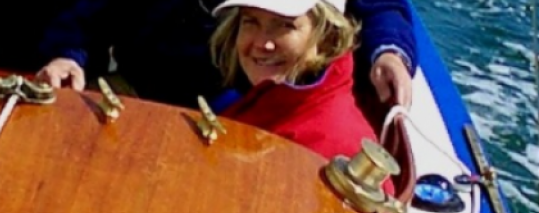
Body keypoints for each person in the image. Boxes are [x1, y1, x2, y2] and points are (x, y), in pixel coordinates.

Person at [36, 0, 416, 108]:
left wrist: (389, 52)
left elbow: (381, 6)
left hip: (242, 106)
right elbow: (91, 9)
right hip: (140, 89)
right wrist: (69, 55)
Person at [211, 0, 383, 163]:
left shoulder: (336, 148)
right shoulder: (262, 100)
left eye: (285, 25)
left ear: (328, 37)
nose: (262, 43)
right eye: (251, 21)